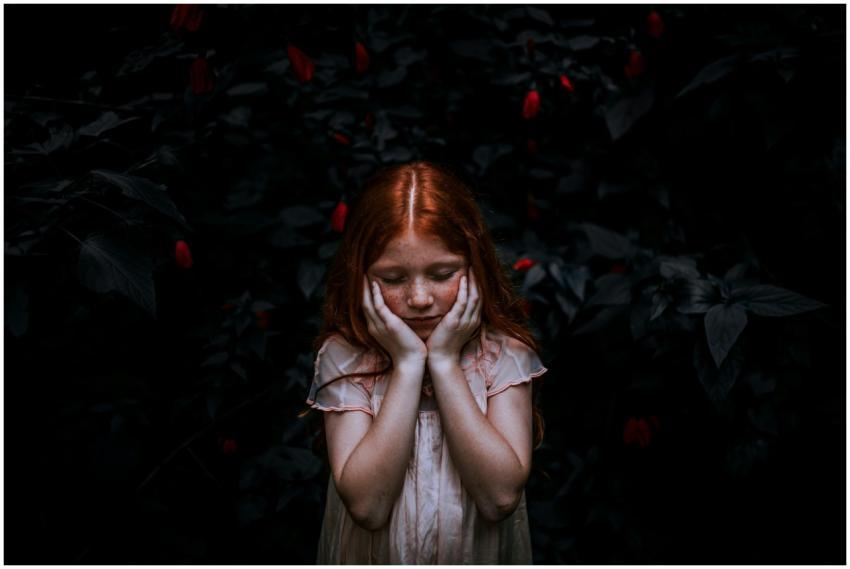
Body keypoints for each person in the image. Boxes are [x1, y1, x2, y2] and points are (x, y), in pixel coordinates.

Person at [304, 160, 548, 564]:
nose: (419, 298)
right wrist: (407, 365)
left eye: (442, 273)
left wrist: (447, 363)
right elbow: (368, 506)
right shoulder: (345, 357)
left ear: (475, 267)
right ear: (361, 276)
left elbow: (499, 497)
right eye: (394, 278)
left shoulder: (504, 355)